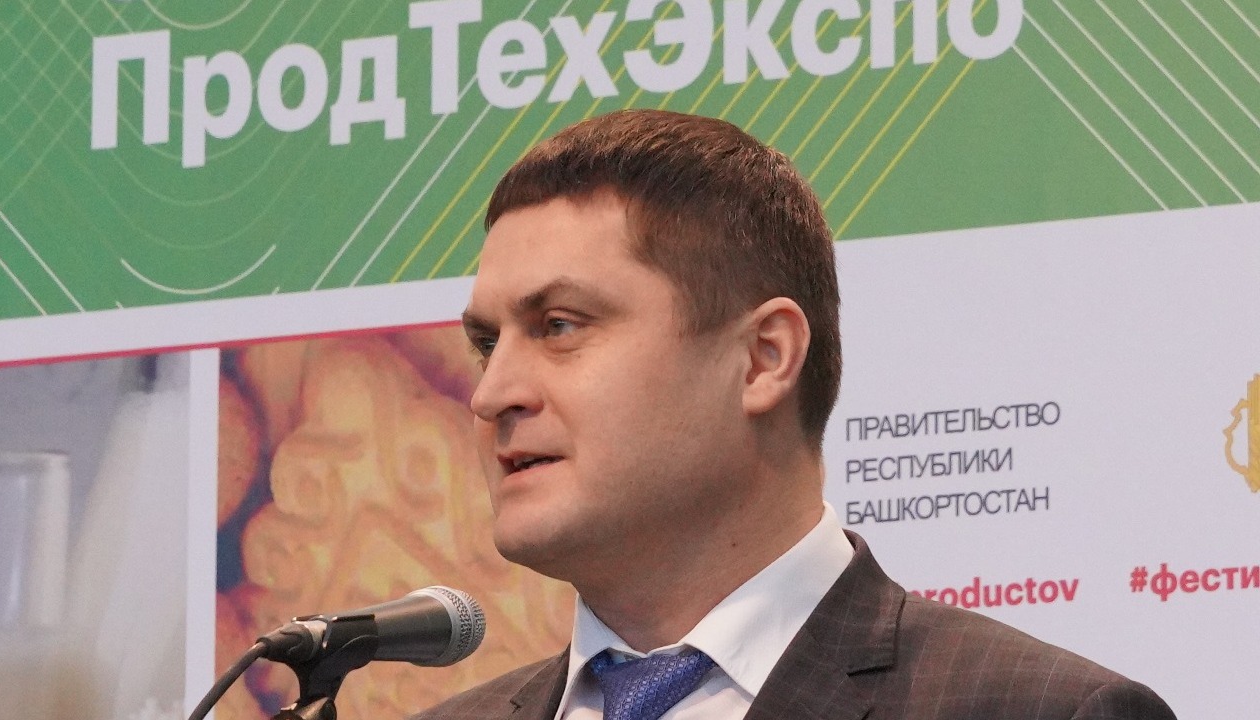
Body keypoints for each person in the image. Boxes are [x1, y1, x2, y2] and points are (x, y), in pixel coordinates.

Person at [413, 110, 1176, 720]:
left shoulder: (1037, 710)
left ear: (762, 358)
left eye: (558, 326)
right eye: (487, 343)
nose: (491, 394)